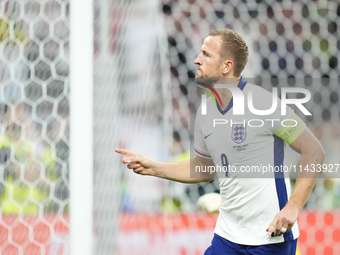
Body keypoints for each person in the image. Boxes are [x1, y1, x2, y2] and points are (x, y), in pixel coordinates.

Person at [115, 28, 325, 255]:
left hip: (270, 238)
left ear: (226, 66)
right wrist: (155, 167)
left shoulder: (264, 103)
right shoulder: (205, 112)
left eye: (206, 54)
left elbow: (314, 151)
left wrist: (292, 208)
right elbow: (204, 168)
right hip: (227, 237)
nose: (196, 60)